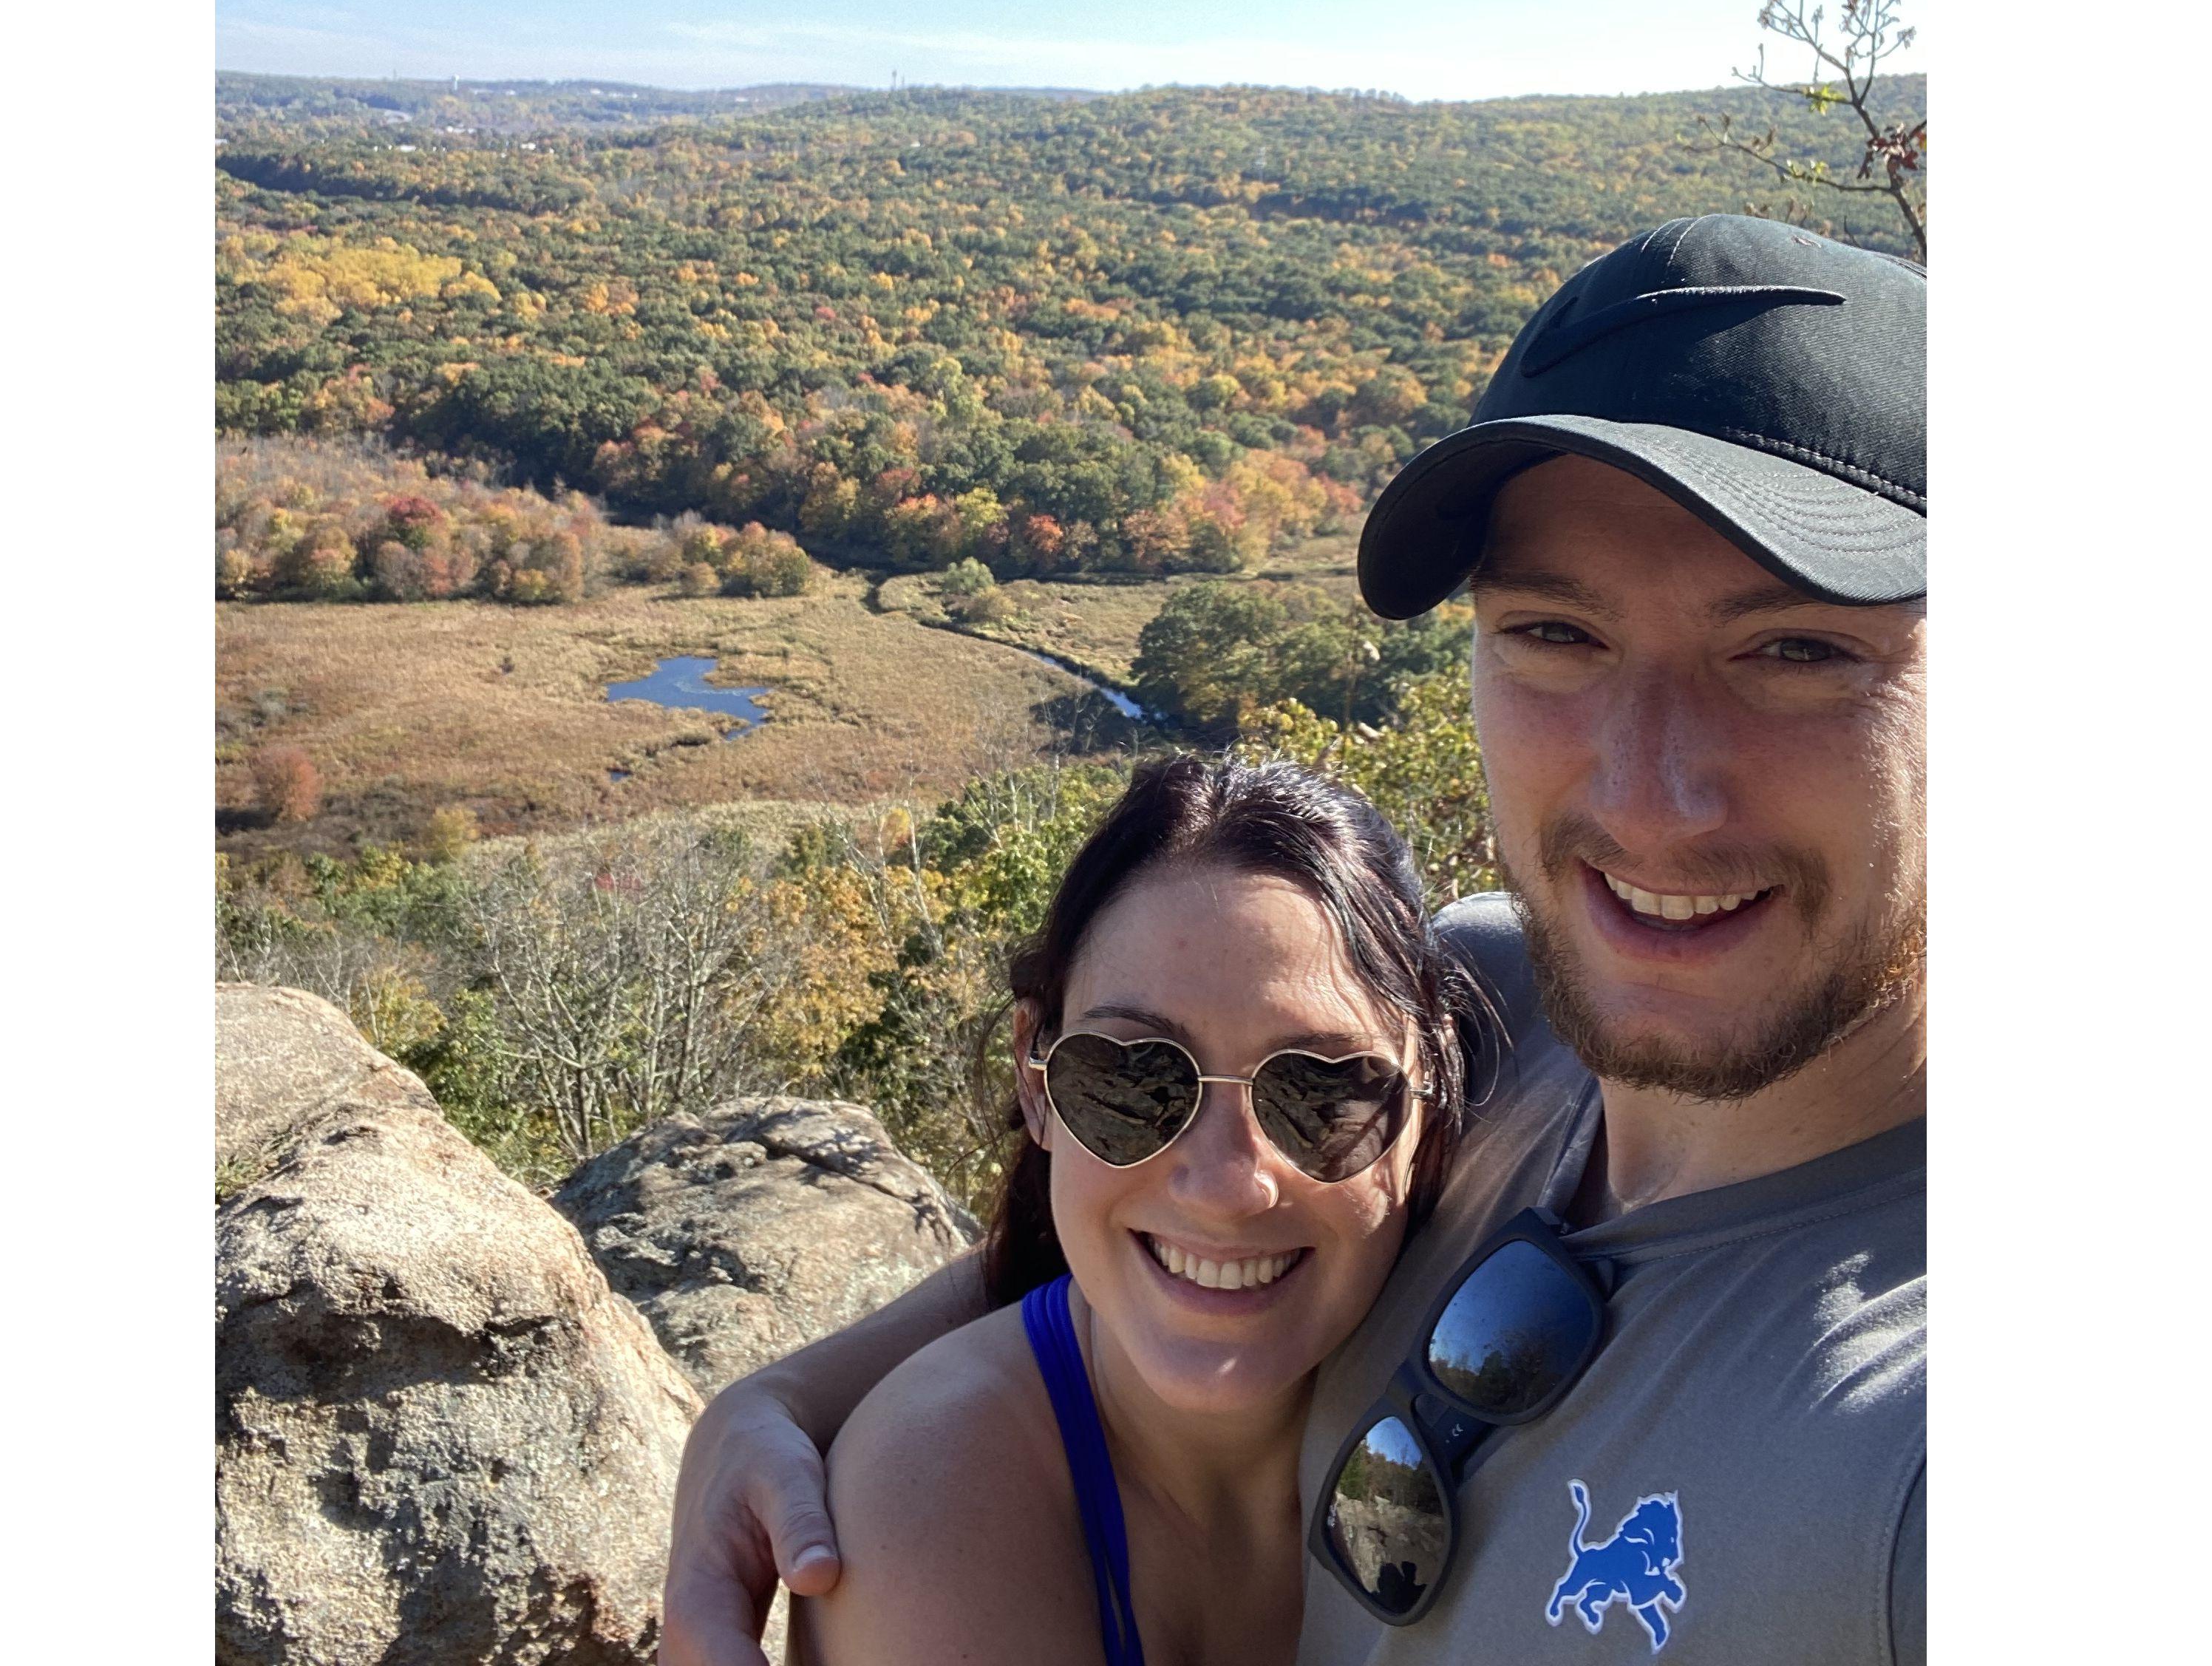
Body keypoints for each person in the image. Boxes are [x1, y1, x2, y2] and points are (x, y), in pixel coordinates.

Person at [663, 214, 1926, 1666]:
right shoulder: (1504, 1001)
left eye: (1796, 651)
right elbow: (1187, 1196)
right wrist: (784, 1400)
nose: (1649, 800)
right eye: (1554, 635)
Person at [797, 753, 1468, 1666]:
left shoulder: (1516, 1305)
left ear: (1431, 1092)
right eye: (1133, 1077)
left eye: (1319, 1091)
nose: (1227, 1184)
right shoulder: (932, 1501)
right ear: (1036, 1077)